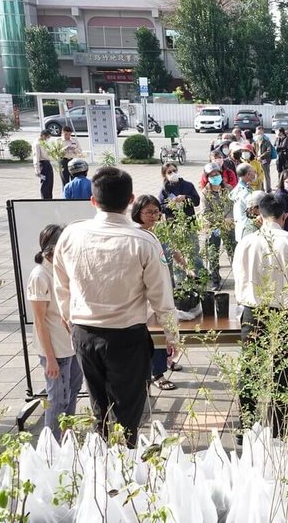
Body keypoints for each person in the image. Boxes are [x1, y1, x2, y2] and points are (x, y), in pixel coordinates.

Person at [53, 167, 178, 447]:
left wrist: (67, 318)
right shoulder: (144, 241)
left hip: (84, 333)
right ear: (131, 200)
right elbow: (161, 295)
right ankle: (126, 464)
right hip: (126, 336)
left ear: (93, 201)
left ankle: (105, 461)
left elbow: (60, 283)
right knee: (129, 410)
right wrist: (172, 335)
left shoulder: (71, 234)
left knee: (100, 408)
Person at [232, 194, 288, 439]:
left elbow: (239, 279)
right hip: (287, 313)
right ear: (285, 216)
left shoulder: (246, 243)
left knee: (250, 370)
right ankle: (279, 429)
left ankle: (245, 428)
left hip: (254, 313)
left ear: (259, 216)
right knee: (282, 371)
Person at [27, 224, 83, 440]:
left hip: (71, 344)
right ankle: (52, 444)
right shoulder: (39, 276)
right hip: (55, 350)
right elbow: (39, 322)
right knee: (57, 397)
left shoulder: (63, 270)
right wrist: (49, 358)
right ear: (52, 250)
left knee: (73, 391)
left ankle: (67, 435)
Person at [131, 196, 182, 391]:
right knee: (155, 336)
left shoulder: (156, 232)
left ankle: (164, 364)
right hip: (144, 300)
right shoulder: (136, 236)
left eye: (156, 211)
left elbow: (173, 252)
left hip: (160, 290)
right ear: (137, 213)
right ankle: (157, 374)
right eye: (148, 212)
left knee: (160, 333)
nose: (153, 216)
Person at [201, 163, 236, 290]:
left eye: (217, 174)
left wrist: (230, 219)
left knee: (233, 251)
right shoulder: (205, 193)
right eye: (212, 175)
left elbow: (233, 206)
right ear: (207, 177)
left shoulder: (228, 189)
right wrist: (221, 220)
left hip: (229, 225)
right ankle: (215, 280)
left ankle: (238, 276)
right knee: (213, 253)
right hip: (214, 226)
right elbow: (206, 213)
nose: (215, 177)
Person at [33, 130, 54, 199]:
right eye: (47, 137)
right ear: (43, 136)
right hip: (43, 164)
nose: (47, 139)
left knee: (50, 183)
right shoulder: (37, 144)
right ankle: (44, 199)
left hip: (48, 163)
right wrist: (37, 170)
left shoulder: (44, 143)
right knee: (45, 184)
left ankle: (50, 198)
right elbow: (36, 157)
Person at [254, 126, 274, 192]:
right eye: (257, 133)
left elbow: (269, 151)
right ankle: (261, 188)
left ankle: (268, 189)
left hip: (265, 160)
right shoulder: (255, 142)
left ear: (263, 133)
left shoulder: (266, 141)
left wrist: (261, 156)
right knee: (259, 175)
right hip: (257, 160)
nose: (259, 135)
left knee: (266, 175)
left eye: (260, 133)